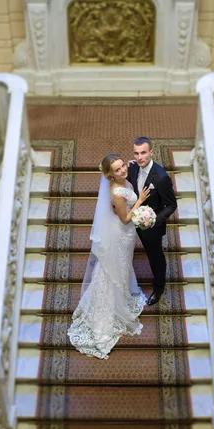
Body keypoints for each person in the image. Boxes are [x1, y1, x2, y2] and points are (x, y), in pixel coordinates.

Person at [68, 154, 150, 359]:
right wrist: (140, 201)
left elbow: (126, 174)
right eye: (118, 170)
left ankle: (120, 292)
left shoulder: (122, 180)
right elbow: (124, 219)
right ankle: (106, 311)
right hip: (121, 233)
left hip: (127, 236)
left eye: (123, 166)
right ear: (110, 176)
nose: (123, 171)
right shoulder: (117, 192)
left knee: (121, 267)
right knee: (113, 269)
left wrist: (131, 166)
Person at [127, 137, 177, 306]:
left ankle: (158, 288)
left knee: (155, 257)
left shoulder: (162, 177)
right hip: (131, 219)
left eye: (143, 153)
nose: (140, 157)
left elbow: (171, 205)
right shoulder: (133, 167)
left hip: (152, 226)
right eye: (136, 153)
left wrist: (154, 220)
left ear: (151, 152)